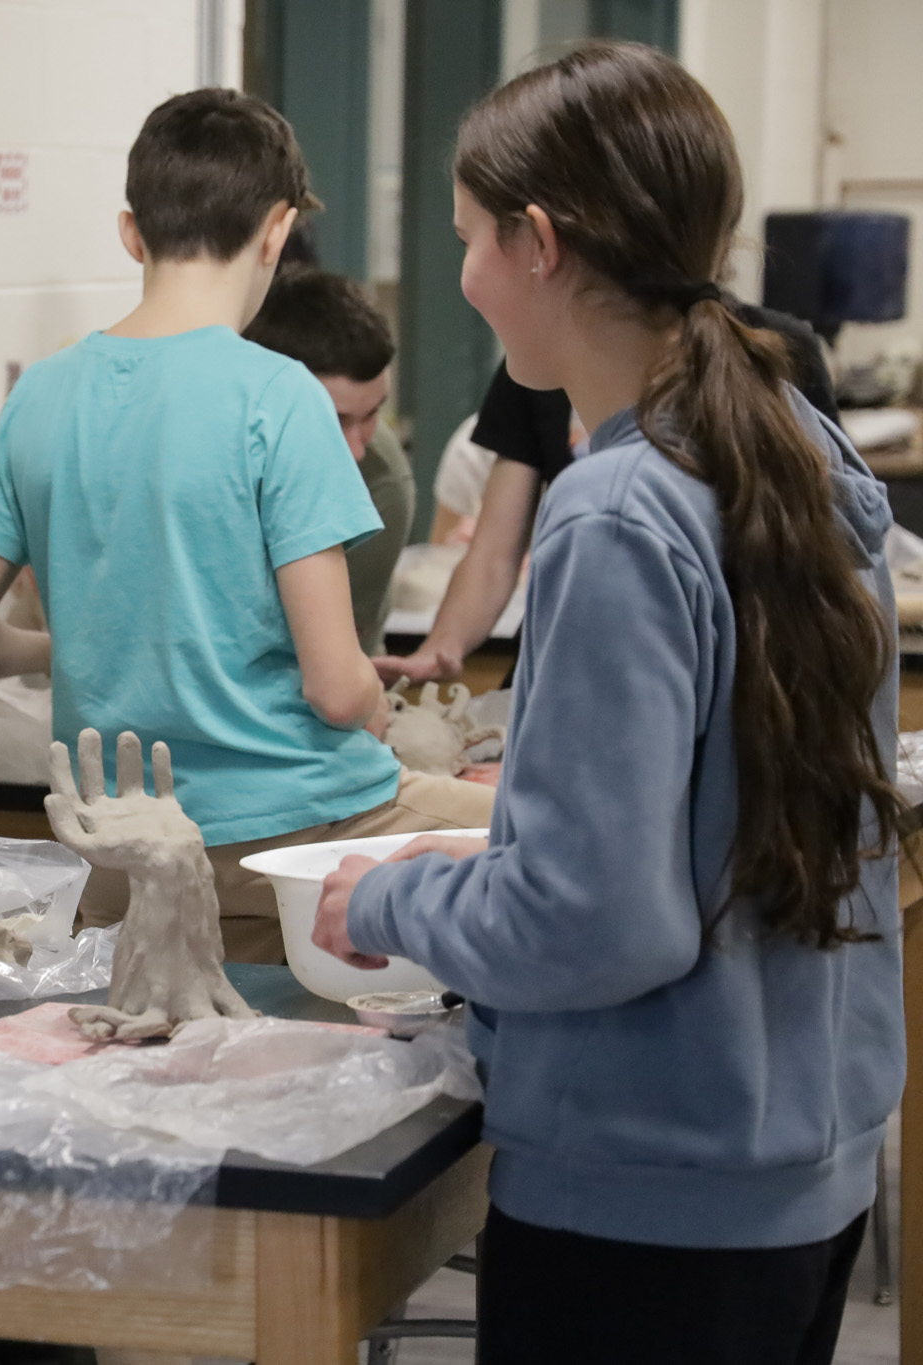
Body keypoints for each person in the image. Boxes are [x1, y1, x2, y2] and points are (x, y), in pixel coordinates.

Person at [312, 42, 902, 1364]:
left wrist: (390, 899)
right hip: (798, 1163)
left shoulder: (621, 510)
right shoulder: (796, 444)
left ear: (537, 242)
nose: (462, 279)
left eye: (467, 240)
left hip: (652, 1205)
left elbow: (598, 920)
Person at [0, 88, 491, 963]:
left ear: (130, 231)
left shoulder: (38, 395)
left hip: (123, 857)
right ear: (276, 231)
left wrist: (72, 645)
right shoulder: (279, 397)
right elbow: (338, 689)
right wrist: (379, 709)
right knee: (543, 841)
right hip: (301, 832)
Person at [376, 309, 837, 686]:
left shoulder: (774, 347)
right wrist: (441, 647)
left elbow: (826, 539)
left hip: (733, 661)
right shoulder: (537, 361)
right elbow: (494, 552)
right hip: (572, 656)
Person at [242, 266, 415, 654]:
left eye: (372, 414)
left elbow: (330, 667)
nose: (355, 449)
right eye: (334, 421)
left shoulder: (380, 485)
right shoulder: (200, 453)